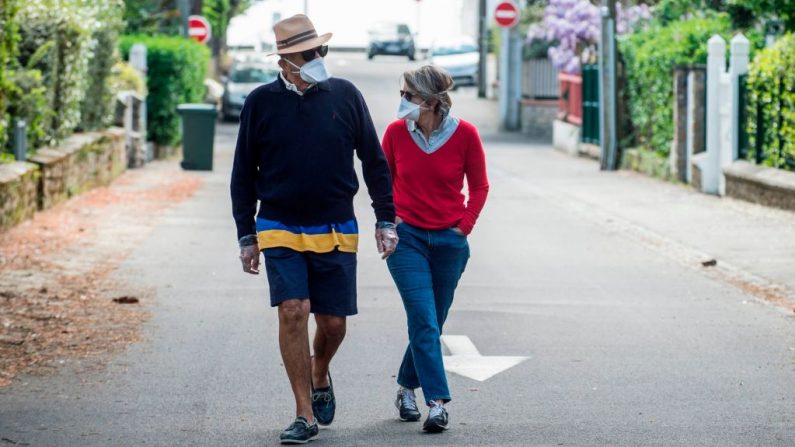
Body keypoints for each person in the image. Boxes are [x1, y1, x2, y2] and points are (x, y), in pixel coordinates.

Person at [230, 14, 398, 445]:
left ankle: (320, 368)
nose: (318, 59)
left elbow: (374, 162)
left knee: (334, 323)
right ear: (285, 62)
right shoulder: (260, 103)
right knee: (293, 310)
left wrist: (385, 217)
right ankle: (303, 413)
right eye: (309, 55)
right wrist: (246, 234)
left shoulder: (345, 96)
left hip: (336, 223)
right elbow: (243, 173)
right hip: (279, 223)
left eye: (319, 52)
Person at [381, 65, 489, 433]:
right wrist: (388, 222)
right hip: (407, 239)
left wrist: (464, 228)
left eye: (408, 95)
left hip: (449, 242)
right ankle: (437, 403)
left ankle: (405, 387)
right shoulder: (396, 134)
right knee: (424, 320)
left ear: (429, 101)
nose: (402, 101)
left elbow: (480, 187)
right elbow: (383, 183)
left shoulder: (466, 135)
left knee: (432, 322)